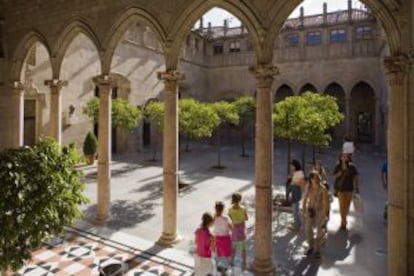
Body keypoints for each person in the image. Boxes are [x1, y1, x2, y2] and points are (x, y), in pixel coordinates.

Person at [302, 172, 328, 259]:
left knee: (319, 231)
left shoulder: (323, 188)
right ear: (311, 179)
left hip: (319, 211)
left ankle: (317, 250)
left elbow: (325, 202)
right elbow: (305, 199)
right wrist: (303, 210)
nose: (315, 180)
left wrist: (324, 214)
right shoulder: (308, 187)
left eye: (316, 178)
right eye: (313, 178)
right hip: (310, 210)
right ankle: (310, 246)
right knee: (308, 229)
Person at [333, 153, 359, 230]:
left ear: (348, 158)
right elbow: (334, 175)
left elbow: (355, 177)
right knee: (341, 206)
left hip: (349, 189)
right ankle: (343, 222)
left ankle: (344, 219)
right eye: (342, 157)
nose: (344, 158)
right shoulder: (338, 166)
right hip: (341, 189)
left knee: (347, 206)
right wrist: (340, 172)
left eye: (345, 157)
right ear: (340, 158)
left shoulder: (352, 167)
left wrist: (356, 187)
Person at [228, 193, 248, 271]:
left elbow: (230, 219)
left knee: (234, 247)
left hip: (234, 231)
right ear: (240, 200)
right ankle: (244, 263)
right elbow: (246, 218)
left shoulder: (230, 210)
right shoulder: (243, 208)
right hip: (242, 231)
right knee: (243, 248)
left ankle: (232, 261)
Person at [212, 201, 232, 273]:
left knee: (218, 253)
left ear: (215, 209)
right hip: (226, 238)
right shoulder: (226, 218)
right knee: (226, 254)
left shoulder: (213, 218)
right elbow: (231, 228)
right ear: (223, 209)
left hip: (217, 238)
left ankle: (218, 266)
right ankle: (225, 268)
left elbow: (211, 226)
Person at [287, 159, 305, 230]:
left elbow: (302, 183)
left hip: (296, 191)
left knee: (295, 209)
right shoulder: (295, 172)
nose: (291, 167)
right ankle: (298, 223)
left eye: (292, 165)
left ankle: (296, 226)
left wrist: (294, 183)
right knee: (295, 208)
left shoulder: (300, 172)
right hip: (293, 190)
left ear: (295, 166)